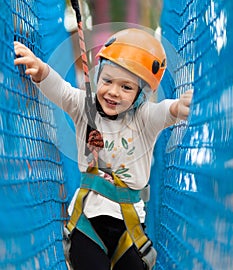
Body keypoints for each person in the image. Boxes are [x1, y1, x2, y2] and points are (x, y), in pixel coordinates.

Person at [14, 28, 193, 270]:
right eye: (107, 80)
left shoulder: (144, 118)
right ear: (98, 77)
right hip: (88, 222)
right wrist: (41, 71)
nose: (113, 92)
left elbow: (166, 111)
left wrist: (179, 108)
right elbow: (61, 90)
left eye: (127, 87)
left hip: (128, 227)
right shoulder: (84, 108)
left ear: (140, 96)